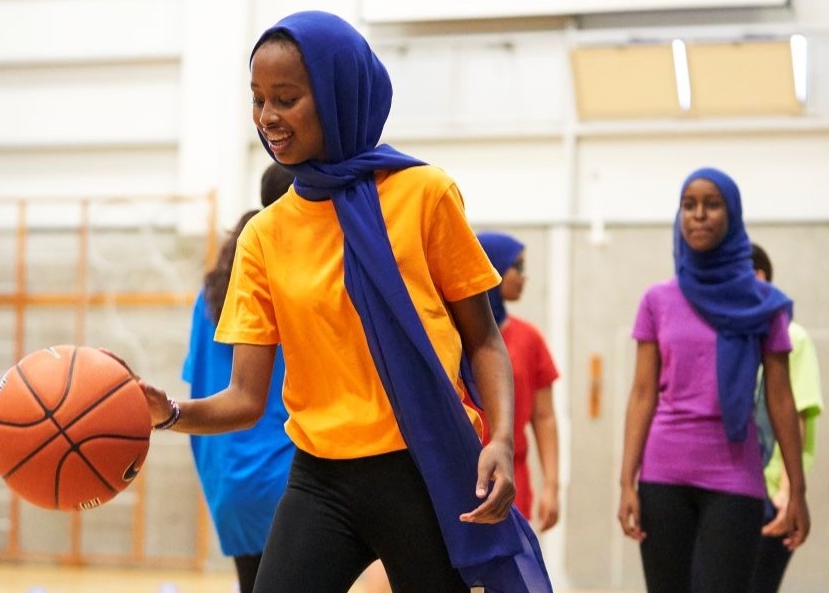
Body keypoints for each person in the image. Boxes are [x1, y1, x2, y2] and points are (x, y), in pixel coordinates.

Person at [138, 11, 550, 593]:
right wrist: (171, 414)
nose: (267, 118)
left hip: (423, 466)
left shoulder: (425, 194)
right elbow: (245, 399)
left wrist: (502, 440)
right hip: (320, 478)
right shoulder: (264, 236)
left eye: (286, 98)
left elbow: (483, 339)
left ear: (338, 94)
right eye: (258, 99)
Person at [616, 168, 810, 593]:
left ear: (732, 215)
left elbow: (780, 400)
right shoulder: (657, 300)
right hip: (663, 474)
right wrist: (626, 481)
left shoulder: (764, 304)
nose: (698, 215)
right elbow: (643, 394)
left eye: (712, 204)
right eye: (689, 205)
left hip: (735, 476)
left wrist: (797, 491)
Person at [183, 162, 294, 593]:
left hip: (224, 469)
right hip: (286, 469)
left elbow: (197, 376)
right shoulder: (291, 284)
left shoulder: (207, 295)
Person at [747, 243, 824, 593]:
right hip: (732, 483)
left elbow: (796, 413)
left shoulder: (792, 337)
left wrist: (788, 491)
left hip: (770, 490)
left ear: (758, 277)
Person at [476, 232, 561, 531]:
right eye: (518, 267)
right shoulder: (452, 336)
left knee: (509, 571)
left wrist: (552, 485)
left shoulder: (529, 339)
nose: (524, 278)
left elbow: (544, 416)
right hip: (459, 471)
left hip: (511, 475)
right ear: (492, 269)